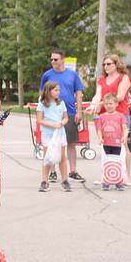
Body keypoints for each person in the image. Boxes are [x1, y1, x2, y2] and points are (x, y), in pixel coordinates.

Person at [39, 50, 86, 183]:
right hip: (51, 115)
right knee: (52, 143)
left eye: (56, 59)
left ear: (63, 60)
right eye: (51, 59)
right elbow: (42, 92)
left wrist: (79, 111)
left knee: (71, 143)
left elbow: (78, 92)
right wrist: (43, 109)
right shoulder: (47, 75)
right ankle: (52, 172)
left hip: (69, 112)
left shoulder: (72, 74)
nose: (53, 61)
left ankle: (72, 171)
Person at [87, 54, 131, 184]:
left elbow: (119, 97)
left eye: (109, 64)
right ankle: (107, 176)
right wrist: (93, 105)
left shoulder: (124, 78)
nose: (105, 66)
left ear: (116, 64)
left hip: (120, 114)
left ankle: (126, 176)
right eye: (104, 64)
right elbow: (97, 95)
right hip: (104, 116)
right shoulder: (101, 80)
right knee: (105, 145)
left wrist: (101, 103)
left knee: (123, 144)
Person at [36, 82, 70, 193]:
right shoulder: (42, 104)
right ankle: (44, 181)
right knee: (47, 158)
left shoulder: (61, 103)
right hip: (47, 134)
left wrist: (62, 123)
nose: (58, 92)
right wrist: (53, 125)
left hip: (60, 134)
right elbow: (39, 120)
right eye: (55, 90)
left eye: (58, 90)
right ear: (48, 91)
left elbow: (65, 117)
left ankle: (64, 181)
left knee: (62, 157)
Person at [95, 93, 128, 191]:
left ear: (116, 104)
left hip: (117, 144)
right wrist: (100, 138)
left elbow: (125, 128)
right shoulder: (101, 116)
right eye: (106, 104)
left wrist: (124, 137)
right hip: (106, 144)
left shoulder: (120, 116)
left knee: (117, 162)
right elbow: (99, 129)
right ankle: (106, 182)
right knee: (106, 162)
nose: (108, 106)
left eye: (111, 103)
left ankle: (119, 182)